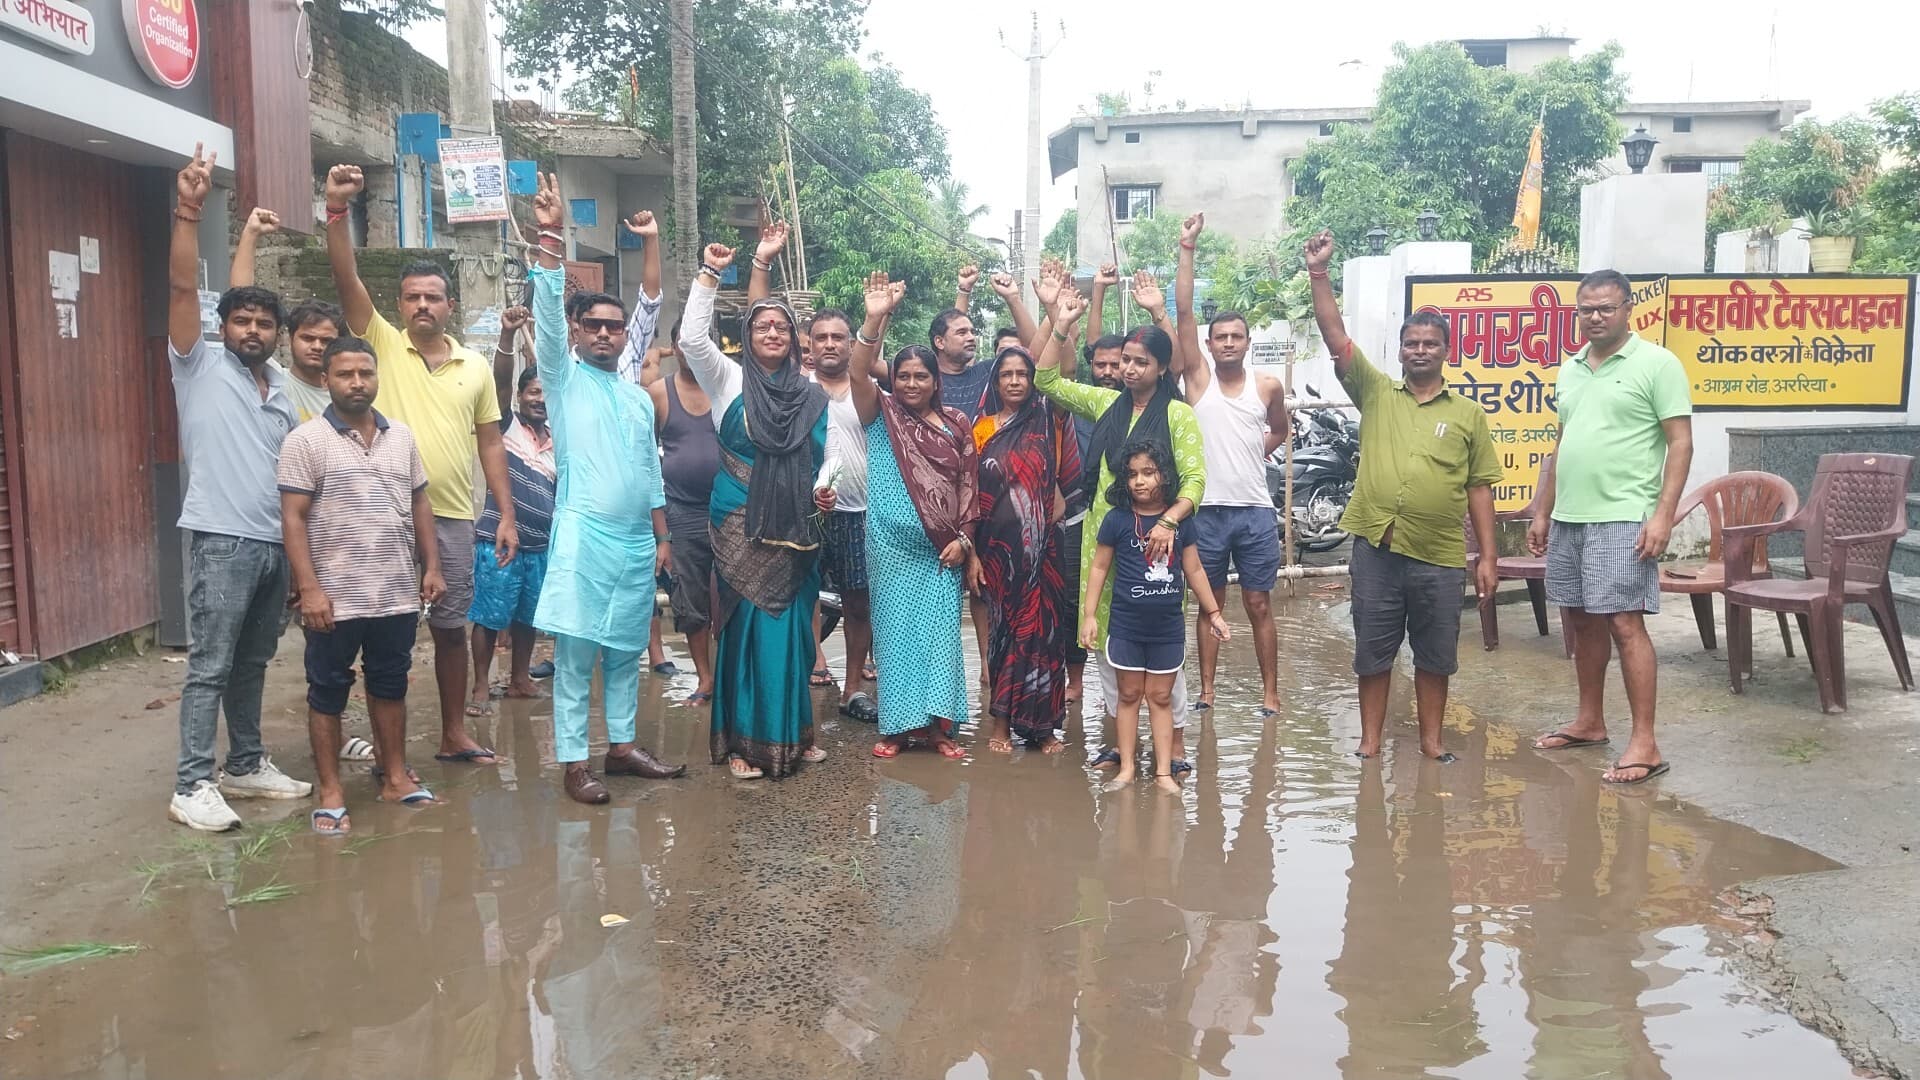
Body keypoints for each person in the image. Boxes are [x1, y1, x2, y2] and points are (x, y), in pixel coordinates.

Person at [324, 163, 517, 768]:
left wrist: (506, 515)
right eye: (413, 297)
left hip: (454, 517)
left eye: (433, 297)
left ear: (449, 305)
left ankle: (454, 733)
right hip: (380, 516)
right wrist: (336, 211)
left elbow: (491, 443)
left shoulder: (475, 367)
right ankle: (383, 747)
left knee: (451, 629)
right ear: (400, 305)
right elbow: (346, 277)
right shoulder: (380, 343)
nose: (423, 305)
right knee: (380, 629)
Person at [1304, 230, 1502, 762]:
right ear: (1400, 350)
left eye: (1430, 344)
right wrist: (1319, 272)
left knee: (1436, 655)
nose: (1420, 350)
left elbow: (1479, 487)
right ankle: (1370, 742)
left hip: (1439, 554)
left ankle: (1432, 742)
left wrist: (1488, 556)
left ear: (1446, 351)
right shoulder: (1375, 392)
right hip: (1378, 549)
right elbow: (1335, 336)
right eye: (1411, 343)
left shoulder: (1468, 414)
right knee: (1373, 652)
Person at [164, 145, 313, 831]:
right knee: (211, 664)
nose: (252, 330)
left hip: (273, 543)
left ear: (276, 335)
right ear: (221, 327)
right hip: (221, 540)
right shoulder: (198, 365)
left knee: (254, 661)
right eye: (240, 321)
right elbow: (183, 290)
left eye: (263, 323)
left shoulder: (278, 385)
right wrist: (189, 210)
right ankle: (191, 782)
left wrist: (251, 234)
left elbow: (245, 292)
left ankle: (246, 764)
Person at [527, 175, 685, 803]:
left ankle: (620, 747)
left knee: (625, 651)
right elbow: (544, 321)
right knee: (575, 658)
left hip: (635, 543)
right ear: (576, 330)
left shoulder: (636, 397)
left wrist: (663, 536)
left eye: (613, 328)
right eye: (592, 324)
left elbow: (650, 469)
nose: (603, 334)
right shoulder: (563, 381)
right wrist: (550, 238)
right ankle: (574, 762)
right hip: (583, 536)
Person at [1528, 269, 1694, 786]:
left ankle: (1645, 742)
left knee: (1625, 623)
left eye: (1605, 308)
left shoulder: (1657, 364)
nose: (1595, 317)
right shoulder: (1571, 368)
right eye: (1586, 309)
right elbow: (1563, 442)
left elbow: (1680, 442)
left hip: (1624, 515)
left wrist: (1663, 514)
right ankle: (1589, 721)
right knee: (1580, 620)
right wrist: (1542, 509)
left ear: (1628, 309)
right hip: (1570, 516)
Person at [1034, 283, 1208, 773]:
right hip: (1104, 539)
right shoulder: (1106, 405)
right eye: (1125, 360)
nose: (1129, 369)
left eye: (1140, 362)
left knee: (1162, 647)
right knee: (1108, 643)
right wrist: (1061, 324)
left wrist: (1169, 520)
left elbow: (1195, 480)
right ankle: (1120, 744)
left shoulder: (1177, 415)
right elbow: (1045, 379)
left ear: (1161, 368)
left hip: (1157, 546)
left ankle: (1175, 747)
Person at [678, 241, 832, 780]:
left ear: (794, 339)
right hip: (738, 521)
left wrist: (825, 489)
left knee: (791, 629)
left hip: (797, 523)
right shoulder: (727, 379)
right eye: (763, 325)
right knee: (744, 627)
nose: (772, 332)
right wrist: (710, 274)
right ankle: (742, 742)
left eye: (781, 327)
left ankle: (795, 733)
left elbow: (828, 453)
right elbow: (691, 339)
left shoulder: (810, 393)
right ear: (747, 335)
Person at [278, 336, 445, 832]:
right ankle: (331, 791)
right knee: (327, 688)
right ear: (325, 380)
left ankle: (394, 777)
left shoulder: (402, 437)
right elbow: (292, 518)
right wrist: (309, 588)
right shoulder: (305, 441)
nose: (357, 383)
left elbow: (419, 503)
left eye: (365, 373)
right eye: (345, 374)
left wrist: (431, 567)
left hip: (394, 591)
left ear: (376, 378)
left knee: (390, 683)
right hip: (334, 596)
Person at [846, 273, 981, 760]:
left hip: (941, 551)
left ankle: (939, 730)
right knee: (895, 636)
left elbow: (969, 488)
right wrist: (874, 317)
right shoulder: (881, 413)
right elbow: (857, 373)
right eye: (902, 376)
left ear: (935, 381)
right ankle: (899, 729)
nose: (910, 384)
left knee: (939, 639)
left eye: (920, 376)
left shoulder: (956, 424)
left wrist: (965, 542)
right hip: (890, 547)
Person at [1173, 213, 1291, 716]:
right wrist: (1187, 248)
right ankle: (1207, 690)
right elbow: (1183, 313)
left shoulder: (1267, 386)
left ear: (1247, 342)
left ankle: (1270, 692)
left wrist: (1251, 455)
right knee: (1210, 602)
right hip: (1205, 511)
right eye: (1219, 336)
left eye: (1235, 337)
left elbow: (1280, 430)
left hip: (1255, 512)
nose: (1227, 343)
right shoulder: (1198, 380)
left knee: (1260, 603)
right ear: (1209, 343)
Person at [1081, 440, 1231, 793]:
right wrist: (1089, 616)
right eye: (1132, 474)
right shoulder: (1117, 520)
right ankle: (1127, 769)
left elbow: (1194, 570)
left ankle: (1163, 772)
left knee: (1161, 697)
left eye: (1148, 473)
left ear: (1164, 476)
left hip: (1167, 629)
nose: (1140, 481)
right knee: (1128, 695)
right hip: (1126, 626)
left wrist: (1214, 613)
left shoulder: (1182, 523)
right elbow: (1099, 568)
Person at [973, 343, 1081, 753]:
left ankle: (1044, 728)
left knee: (1045, 635)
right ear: (995, 382)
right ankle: (1001, 724)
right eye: (1007, 374)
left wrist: (1061, 322)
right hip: (998, 553)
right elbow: (970, 492)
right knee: (1004, 634)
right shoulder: (981, 430)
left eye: (1023, 374)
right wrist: (972, 551)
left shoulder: (1048, 417)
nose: (1015, 381)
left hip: (1045, 552)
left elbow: (1065, 367)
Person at [468, 305, 555, 715]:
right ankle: (481, 687)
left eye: (546, 393)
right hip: (499, 540)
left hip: (540, 544)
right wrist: (507, 336)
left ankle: (520, 679)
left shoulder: (558, 437)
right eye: (533, 392)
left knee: (527, 617)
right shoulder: (504, 423)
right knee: (489, 615)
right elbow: (500, 381)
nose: (540, 400)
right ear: (520, 397)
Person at [649, 313, 721, 706]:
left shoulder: (727, 388)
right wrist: (660, 531)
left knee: (734, 596)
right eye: (684, 342)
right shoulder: (658, 394)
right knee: (690, 598)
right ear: (675, 347)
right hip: (681, 512)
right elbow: (646, 462)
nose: (691, 349)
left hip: (730, 510)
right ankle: (705, 679)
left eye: (700, 340)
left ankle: (730, 677)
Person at [230, 206, 344, 424]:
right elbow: (241, 301)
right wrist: (250, 234)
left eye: (326, 341)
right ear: (289, 338)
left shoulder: (345, 398)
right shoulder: (274, 381)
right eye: (308, 338)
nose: (317, 346)